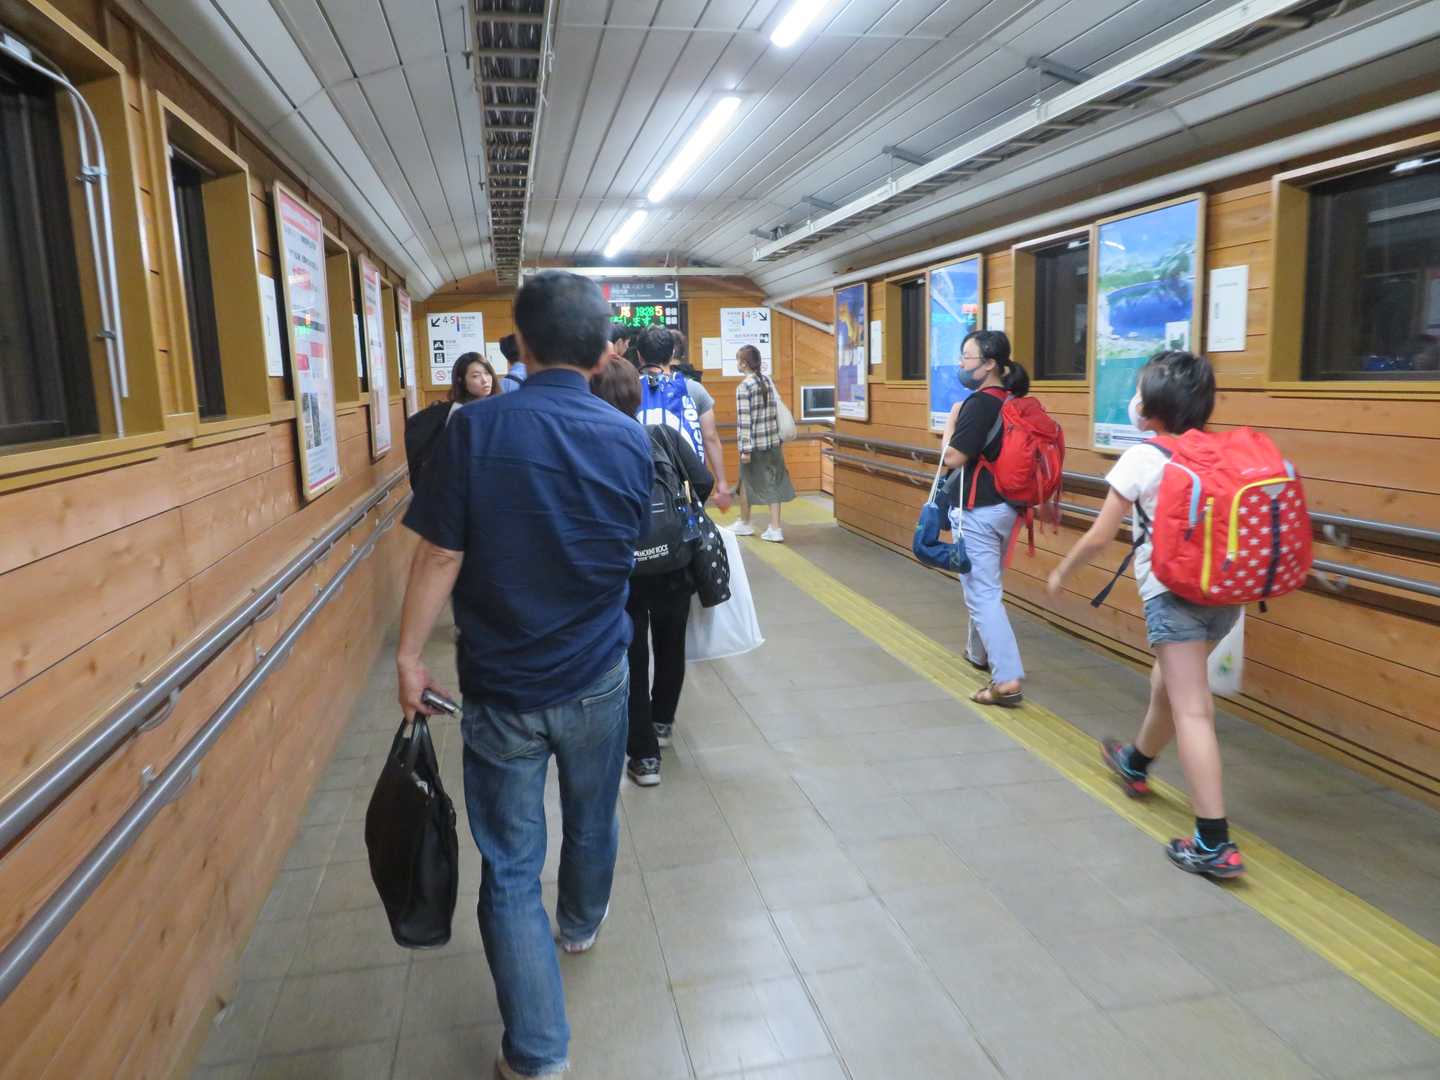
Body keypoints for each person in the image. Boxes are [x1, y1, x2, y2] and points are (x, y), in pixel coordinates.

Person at [394, 271, 653, 1080]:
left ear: (522, 343)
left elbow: (441, 553)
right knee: (592, 814)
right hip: (599, 673)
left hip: (502, 685)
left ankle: (537, 1054)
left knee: (509, 865)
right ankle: (580, 923)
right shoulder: (628, 438)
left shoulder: (475, 429)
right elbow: (622, 544)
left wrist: (409, 656)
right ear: (604, 349)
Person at [1046, 351, 1245, 880]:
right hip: (1224, 597)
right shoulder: (1218, 451)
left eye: (1139, 391)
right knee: (1168, 686)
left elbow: (1100, 535)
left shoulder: (1143, 456)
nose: (1133, 400)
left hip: (1174, 597)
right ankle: (1135, 762)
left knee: (1193, 711)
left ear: (1152, 404)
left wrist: (1063, 571)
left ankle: (1213, 842)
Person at [589, 357, 713, 787]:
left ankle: (644, 757)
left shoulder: (589, 444)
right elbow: (702, 481)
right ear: (635, 394)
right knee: (670, 644)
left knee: (632, 655)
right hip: (672, 563)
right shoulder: (661, 434)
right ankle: (662, 723)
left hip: (619, 568)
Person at [939, 329, 1029, 708]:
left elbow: (952, 458)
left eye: (967, 357)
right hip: (1008, 509)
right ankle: (978, 652)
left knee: (983, 594)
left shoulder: (979, 404)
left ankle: (1007, 679)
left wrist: (951, 421)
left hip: (979, 508)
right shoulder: (1013, 400)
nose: (962, 363)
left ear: (990, 364)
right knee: (987, 584)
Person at [403, 351, 498, 489]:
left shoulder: (495, 406)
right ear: (461, 380)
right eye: (475, 376)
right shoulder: (459, 412)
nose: (485, 380)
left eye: (487, 373)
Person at [733, 344, 794, 542]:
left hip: (754, 446)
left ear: (744, 363)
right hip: (773, 442)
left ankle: (750, 524)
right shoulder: (766, 381)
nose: (737, 364)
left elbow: (745, 420)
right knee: (771, 481)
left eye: (738, 360)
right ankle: (770, 526)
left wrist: (745, 449)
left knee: (750, 482)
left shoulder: (744, 387)